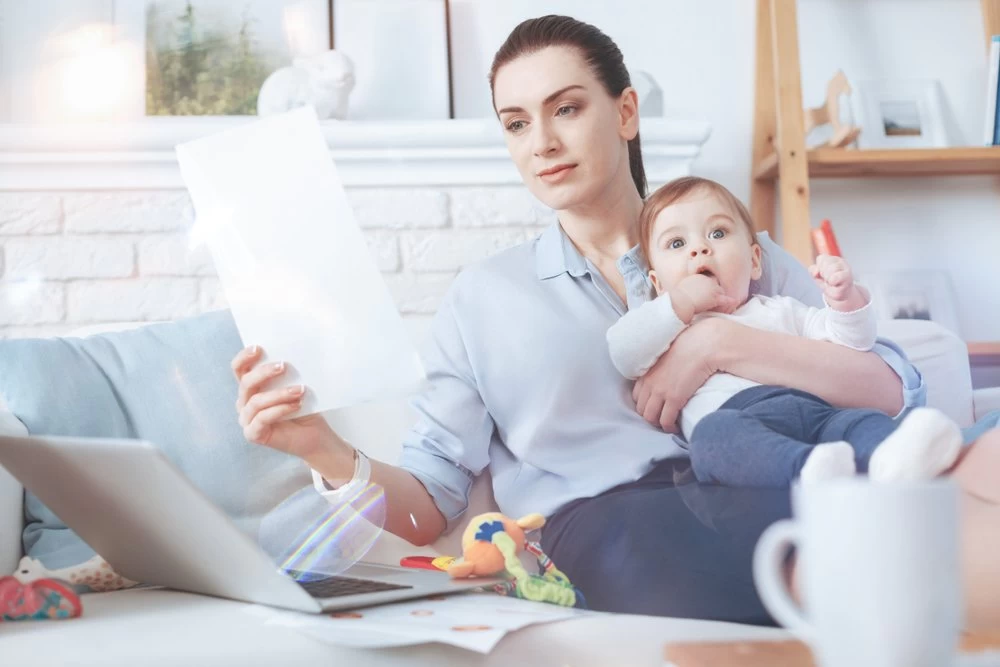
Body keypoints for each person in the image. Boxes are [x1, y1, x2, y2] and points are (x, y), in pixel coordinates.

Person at [230, 15, 999, 623]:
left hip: (787, 461)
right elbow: (426, 500)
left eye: (565, 108)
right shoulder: (482, 301)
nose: (543, 143)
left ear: (625, 111)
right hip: (625, 521)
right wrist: (321, 447)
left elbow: (888, 389)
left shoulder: (737, 248)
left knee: (973, 458)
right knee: (870, 533)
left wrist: (722, 344)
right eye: (516, 122)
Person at [606, 176, 963, 487]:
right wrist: (678, 303)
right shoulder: (667, 331)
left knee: (859, 422)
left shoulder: (778, 309)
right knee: (714, 441)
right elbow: (624, 352)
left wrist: (845, 300)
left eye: (718, 233)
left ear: (755, 261)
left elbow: (850, 341)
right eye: (676, 244)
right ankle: (807, 470)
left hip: (815, 409)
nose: (701, 248)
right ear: (657, 283)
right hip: (739, 419)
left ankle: (899, 458)